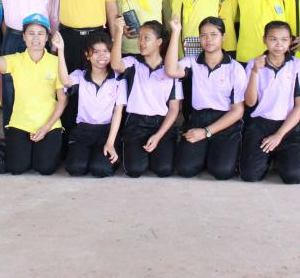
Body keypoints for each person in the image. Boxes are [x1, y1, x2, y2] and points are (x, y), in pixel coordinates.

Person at [0, 11, 66, 176]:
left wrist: (46, 127)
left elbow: (63, 99)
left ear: (47, 37)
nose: (35, 38)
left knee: (45, 168)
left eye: (40, 33)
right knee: (17, 168)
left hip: (48, 125)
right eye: (31, 33)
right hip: (20, 123)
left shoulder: (56, 62)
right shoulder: (16, 60)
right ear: (23, 37)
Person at [166, 16, 246, 180]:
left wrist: (206, 132)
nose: (208, 39)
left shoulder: (235, 68)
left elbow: (238, 111)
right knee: (185, 169)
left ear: (223, 37)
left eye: (213, 34)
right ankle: (205, 153)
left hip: (225, 122)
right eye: (203, 35)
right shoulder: (192, 62)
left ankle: (215, 153)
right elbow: (171, 71)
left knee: (222, 171)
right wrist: (175, 33)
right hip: (199, 119)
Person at [111, 18, 182, 177]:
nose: (141, 42)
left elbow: (174, 109)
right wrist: (118, 33)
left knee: (163, 170)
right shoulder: (133, 62)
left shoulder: (170, 68)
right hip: (136, 123)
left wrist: (158, 136)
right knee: (134, 170)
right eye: (140, 37)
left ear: (159, 42)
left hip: (161, 124)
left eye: (146, 38)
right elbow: (116, 65)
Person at [240, 21, 300, 184]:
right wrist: (255, 72)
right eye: (273, 39)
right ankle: (269, 158)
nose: (279, 45)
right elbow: (250, 102)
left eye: (284, 40)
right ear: (264, 39)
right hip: (260, 124)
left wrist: (279, 135)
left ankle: (280, 156)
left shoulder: (296, 65)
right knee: (250, 175)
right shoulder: (254, 64)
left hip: (288, 125)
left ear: (290, 41)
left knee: (294, 176)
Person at [54, 30, 124, 177]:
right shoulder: (80, 75)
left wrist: (110, 142)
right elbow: (65, 81)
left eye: (106, 51)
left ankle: (108, 158)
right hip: (83, 131)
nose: (102, 55)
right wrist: (60, 50)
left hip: (106, 131)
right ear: (87, 55)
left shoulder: (118, 79)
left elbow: (118, 112)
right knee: (75, 168)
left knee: (100, 169)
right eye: (96, 51)